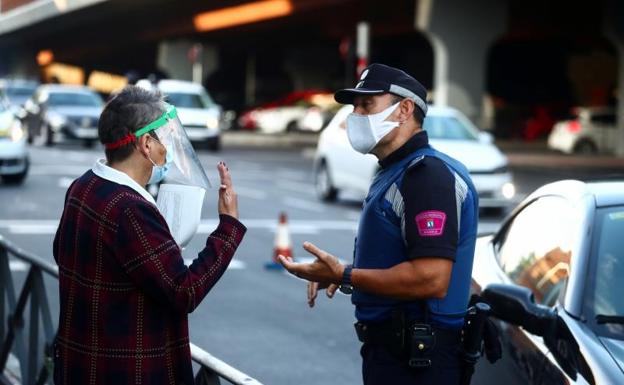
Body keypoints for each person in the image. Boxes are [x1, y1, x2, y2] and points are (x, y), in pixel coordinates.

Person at [279, 63, 479, 384]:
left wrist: (345, 274)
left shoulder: (426, 176)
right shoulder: (394, 170)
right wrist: (345, 274)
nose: (354, 115)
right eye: (354, 106)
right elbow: (402, 261)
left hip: (418, 362)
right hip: (396, 354)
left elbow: (431, 279)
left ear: (404, 110)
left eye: (366, 104)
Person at [52, 86, 246, 384]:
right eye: (165, 139)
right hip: (127, 371)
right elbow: (184, 292)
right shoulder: (130, 209)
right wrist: (228, 227)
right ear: (145, 144)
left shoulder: (83, 186)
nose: (167, 149)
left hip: (81, 365)